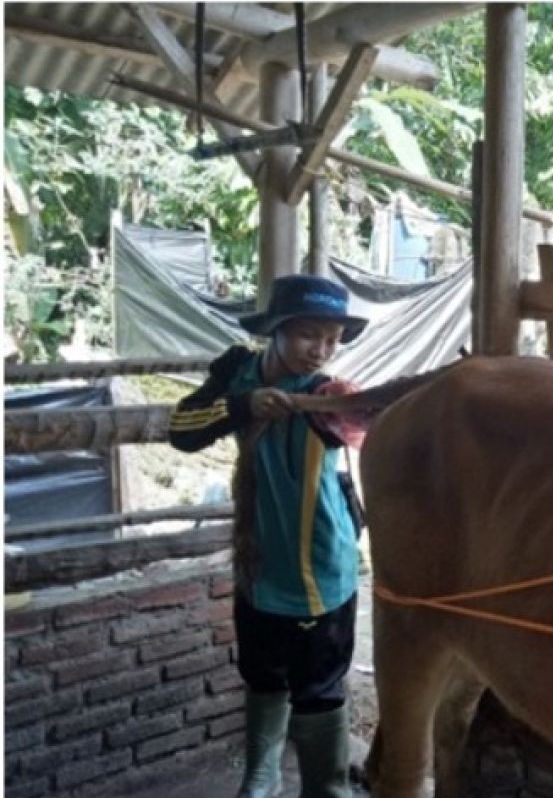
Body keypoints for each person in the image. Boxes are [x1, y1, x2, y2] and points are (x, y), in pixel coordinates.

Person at [168, 274, 368, 798]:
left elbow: (360, 424)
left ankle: (326, 787)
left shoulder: (327, 395)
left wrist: (351, 410)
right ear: (276, 331)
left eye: (332, 339)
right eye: (309, 334)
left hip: (321, 568)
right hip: (257, 563)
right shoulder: (237, 374)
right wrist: (245, 405)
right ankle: (261, 777)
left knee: (319, 690)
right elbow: (182, 430)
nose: (321, 350)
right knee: (263, 674)